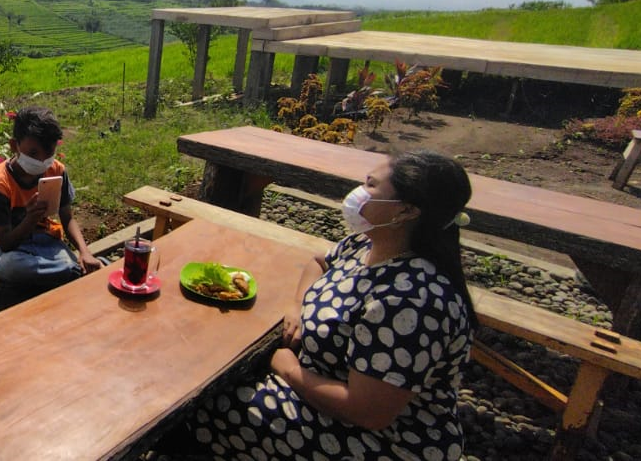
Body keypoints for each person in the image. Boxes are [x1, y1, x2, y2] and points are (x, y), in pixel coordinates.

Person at [181, 150, 477, 460]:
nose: (359, 192)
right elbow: (319, 262)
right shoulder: (370, 243)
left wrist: (290, 370)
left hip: (379, 441)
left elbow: (367, 413)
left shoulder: (410, 302)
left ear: (405, 212)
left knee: (203, 402)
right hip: (323, 394)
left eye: (372, 185)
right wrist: (297, 305)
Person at [0, 106, 102, 287]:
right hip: (10, 251)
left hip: (46, 242)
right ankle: (69, 269)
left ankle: (67, 268)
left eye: (49, 154)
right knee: (12, 267)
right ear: (14, 145)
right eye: (33, 153)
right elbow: (6, 243)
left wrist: (85, 252)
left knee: (65, 261)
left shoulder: (56, 171)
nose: (42, 161)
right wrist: (30, 218)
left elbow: (67, 217)